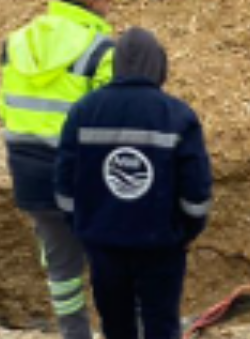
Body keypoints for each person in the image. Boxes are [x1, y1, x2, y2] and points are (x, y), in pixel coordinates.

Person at [55, 27, 213, 339]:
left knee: (116, 327)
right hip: (161, 248)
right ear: (159, 65)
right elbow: (196, 193)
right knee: (161, 326)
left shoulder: (83, 112)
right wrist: (184, 232)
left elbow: (64, 187)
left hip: (103, 245)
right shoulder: (178, 116)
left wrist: (85, 228)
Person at [0, 0, 118, 339]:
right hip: (79, 170)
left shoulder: (18, 41)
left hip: (26, 165)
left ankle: (74, 332)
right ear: (93, 0)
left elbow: (7, 103)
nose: (111, 6)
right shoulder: (101, 49)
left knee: (60, 262)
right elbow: (111, 118)